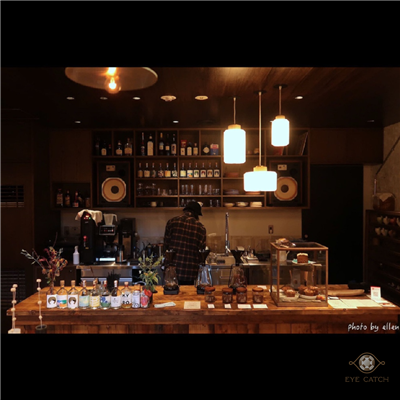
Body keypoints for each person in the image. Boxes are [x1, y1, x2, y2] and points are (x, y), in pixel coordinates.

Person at [163, 201, 206, 285]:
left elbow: (166, 246)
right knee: (188, 292)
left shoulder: (172, 222)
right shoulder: (201, 227)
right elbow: (201, 252)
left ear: (185, 210)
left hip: (172, 269)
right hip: (190, 271)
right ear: (196, 214)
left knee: (171, 291)